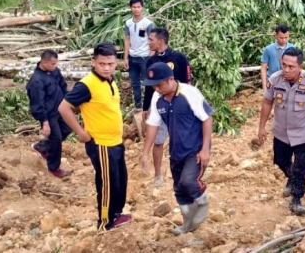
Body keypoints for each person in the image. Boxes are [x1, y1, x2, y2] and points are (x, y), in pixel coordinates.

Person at [58, 42, 131, 231]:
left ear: (116, 63)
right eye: (102, 64)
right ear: (93, 62)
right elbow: (63, 108)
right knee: (107, 184)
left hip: (115, 142)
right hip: (101, 144)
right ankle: (105, 223)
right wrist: (80, 132)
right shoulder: (87, 84)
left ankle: (115, 215)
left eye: (110, 64)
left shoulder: (110, 80)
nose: (106, 68)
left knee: (119, 181)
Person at [140, 63, 214, 235]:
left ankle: (202, 203)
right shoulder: (157, 99)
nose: (157, 88)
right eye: (154, 86)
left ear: (171, 79)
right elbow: (152, 125)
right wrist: (145, 153)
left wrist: (205, 150)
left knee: (188, 182)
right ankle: (188, 224)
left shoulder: (189, 93)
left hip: (194, 150)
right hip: (176, 150)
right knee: (179, 189)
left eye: (160, 84)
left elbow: (207, 119)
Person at [257, 47, 305, 215]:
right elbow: (267, 103)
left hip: (303, 134)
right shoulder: (275, 79)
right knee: (280, 161)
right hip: (281, 132)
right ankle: (291, 177)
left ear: (300, 67)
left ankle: (296, 199)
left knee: (302, 167)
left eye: (291, 67)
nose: (286, 70)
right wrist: (261, 127)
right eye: (284, 65)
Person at [142, 28, 193, 186]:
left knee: (182, 139)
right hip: (159, 105)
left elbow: (187, 81)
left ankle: (184, 172)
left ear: (160, 41)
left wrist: (188, 104)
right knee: (158, 140)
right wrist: (146, 107)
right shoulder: (150, 61)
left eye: (151, 39)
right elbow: (149, 87)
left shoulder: (179, 58)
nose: (148, 42)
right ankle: (158, 175)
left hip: (179, 106)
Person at [27, 50, 73, 178]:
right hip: (49, 114)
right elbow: (37, 103)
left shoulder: (54, 71)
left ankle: (42, 147)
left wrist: (68, 102)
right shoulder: (36, 81)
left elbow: (63, 86)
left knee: (67, 129)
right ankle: (54, 168)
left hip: (60, 109)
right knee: (56, 138)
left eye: (56, 63)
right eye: (52, 64)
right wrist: (44, 123)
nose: (55, 66)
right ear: (44, 62)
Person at [124, 0, 155, 113]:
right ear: (130, 8)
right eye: (134, 7)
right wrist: (126, 57)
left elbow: (153, 40)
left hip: (145, 57)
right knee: (135, 82)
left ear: (142, 8)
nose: (136, 9)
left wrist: (151, 57)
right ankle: (138, 106)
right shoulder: (128, 23)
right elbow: (127, 39)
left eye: (138, 7)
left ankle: (149, 106)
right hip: (133, 57)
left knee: (148, 82)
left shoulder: (148, 24)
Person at [260, 24, 295, 90]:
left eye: (286, 38)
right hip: (272, 82)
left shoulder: (293, 48)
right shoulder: (268, 49)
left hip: (288, 82)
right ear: (275, 35)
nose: (284, 40)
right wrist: (264, 87)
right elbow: (263, 68)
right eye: (281, 38)